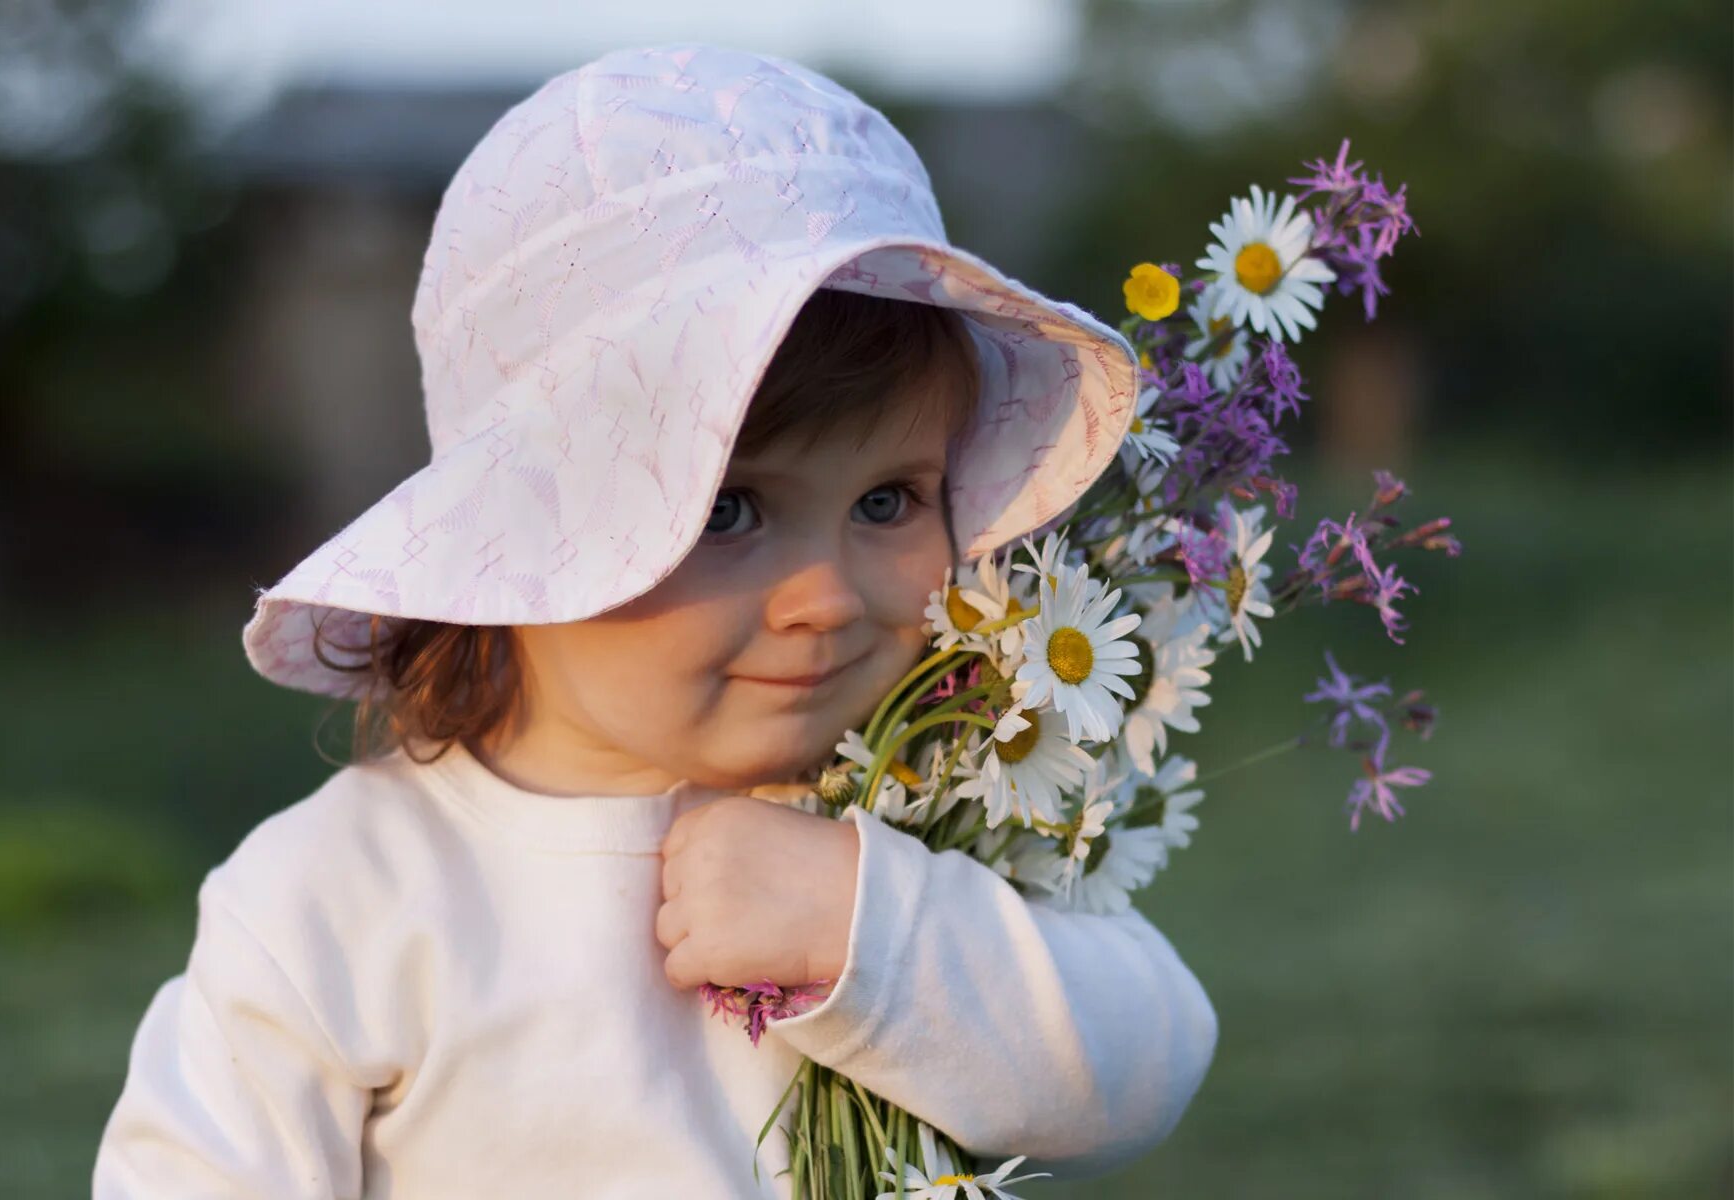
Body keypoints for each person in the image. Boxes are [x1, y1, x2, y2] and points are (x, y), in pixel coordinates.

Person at [93, 42, 1218, 1198]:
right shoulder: (342, 896)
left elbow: (1144, 1068)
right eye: (726, 509)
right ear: (528, 530)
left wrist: (870, 932)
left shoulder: (905, 801)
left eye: (888, 500)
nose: (827, 597)